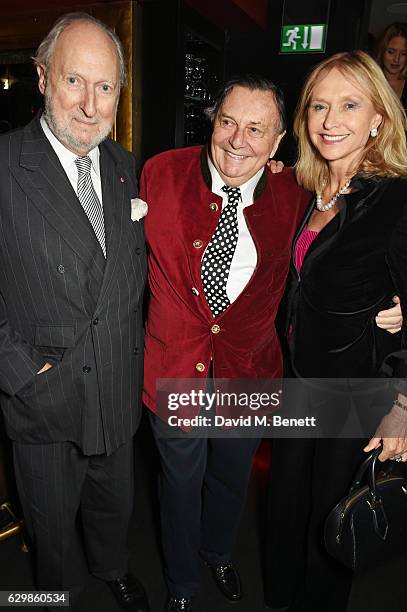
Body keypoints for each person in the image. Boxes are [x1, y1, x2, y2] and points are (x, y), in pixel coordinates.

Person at [139, 75, 311, 612]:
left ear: (278, 142)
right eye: (228, 121)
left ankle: (217, 552)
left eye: (256, 129)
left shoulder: (297, 191)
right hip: (172, 369)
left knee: (232, 481)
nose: (238, 139)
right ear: (213, 122)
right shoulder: (160, 173)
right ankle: (182, 583)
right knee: (179, 486)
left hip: (249, 372)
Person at [0, 13, 148, 612]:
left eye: (106, 87)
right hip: (45, 399)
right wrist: (16, 372)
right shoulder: (5, 166)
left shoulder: (126, 166)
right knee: (52, 534)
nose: (91, 105)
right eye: (74, 82)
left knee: (114, 508)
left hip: (115, 387)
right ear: (41, 78)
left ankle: (112, 568)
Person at [266, 50, 407, 612]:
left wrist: (401, 406)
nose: (330, 120)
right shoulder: (314, 187)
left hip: (354, 390)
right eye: (319, 106)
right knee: (287, 503)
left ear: (379, 117)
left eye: (349, 105)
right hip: (300, 378)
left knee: (334, 519)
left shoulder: (395, 199)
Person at [374, 22, 407, 111]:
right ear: (382, 51)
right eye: (391, 52)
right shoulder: (370, 82)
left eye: (403, 54)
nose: (396, 59)